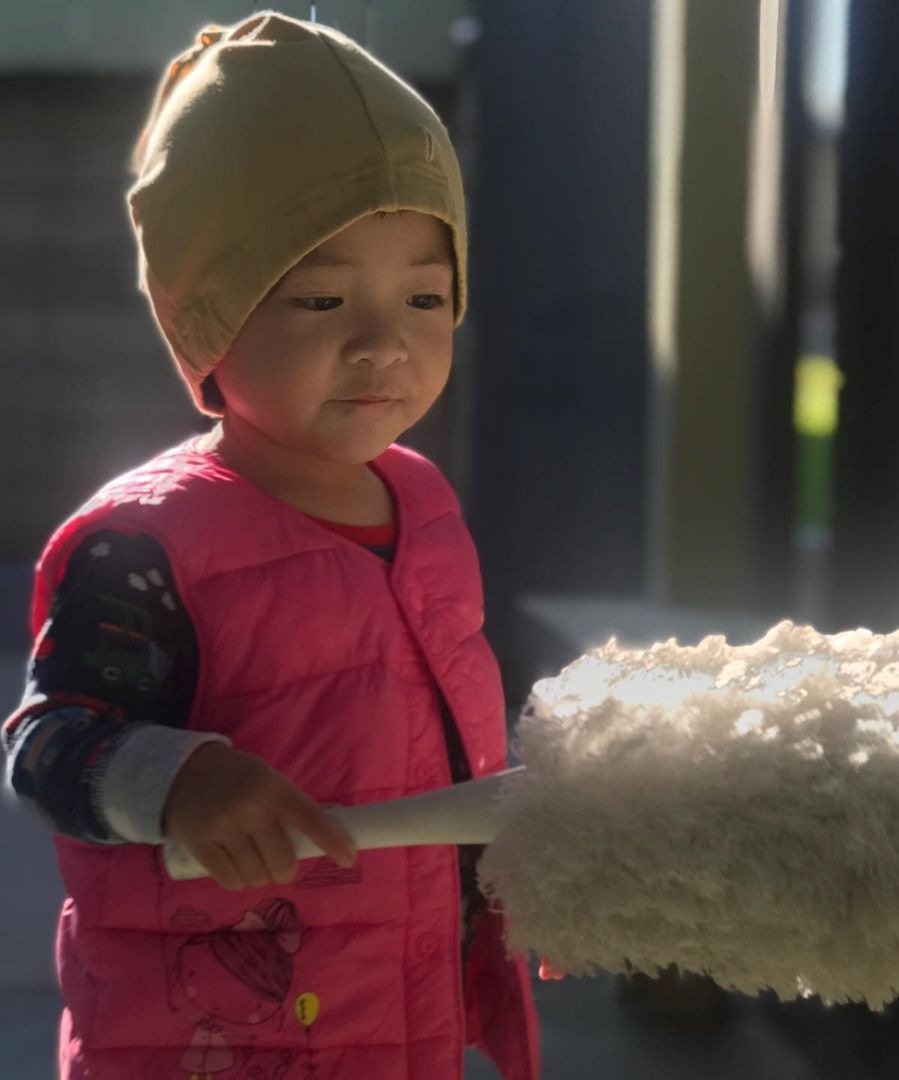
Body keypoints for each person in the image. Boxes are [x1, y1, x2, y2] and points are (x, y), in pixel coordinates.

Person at [2, 10, 539, 1079]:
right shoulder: (150, 543)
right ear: (210, 318)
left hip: (400, 1022)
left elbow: (441, 758)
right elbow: (49, 744)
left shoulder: (424, 505)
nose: (383, 340)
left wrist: (522, 879)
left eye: (425, 295)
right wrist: (181, 780)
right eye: (323, 296)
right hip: (207, 1043)